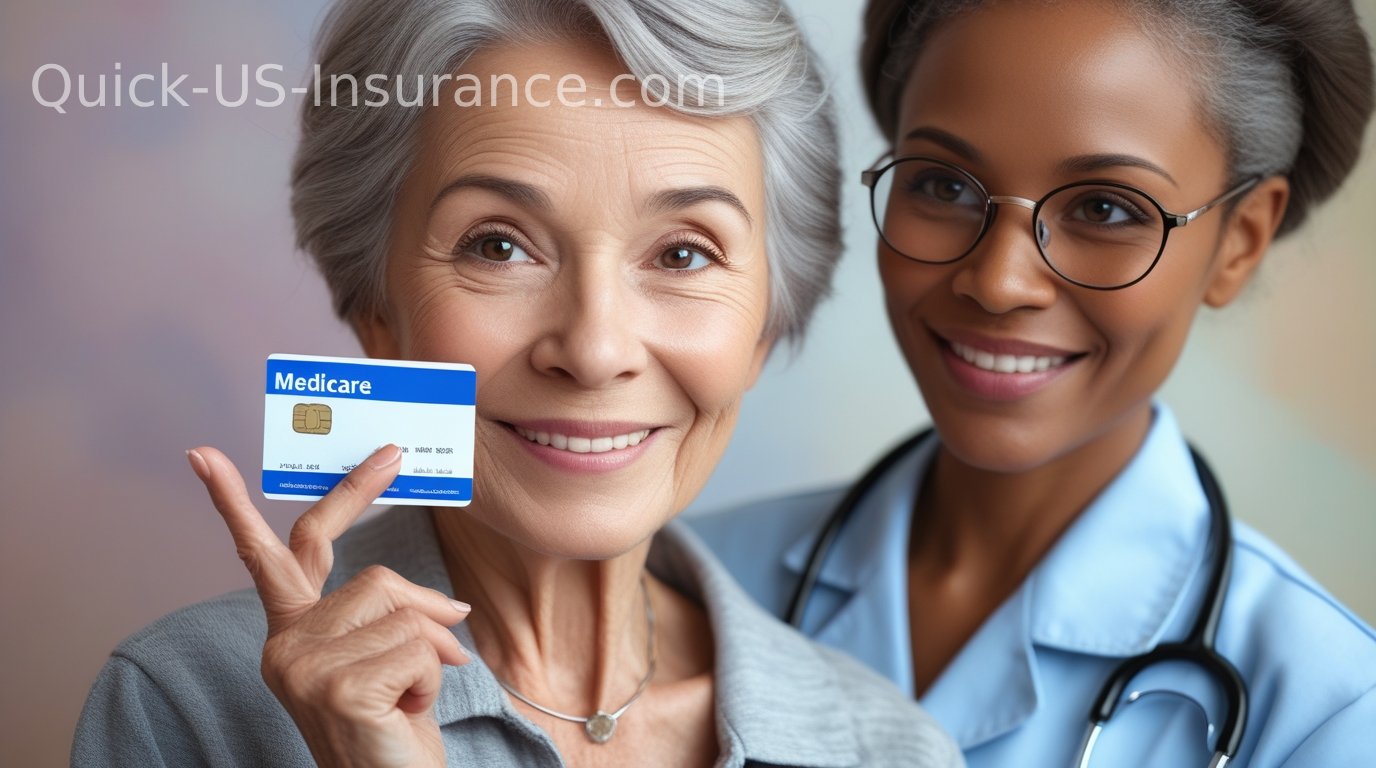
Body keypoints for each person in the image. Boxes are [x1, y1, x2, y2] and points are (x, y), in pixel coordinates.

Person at [70, 1, 966, 766]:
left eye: (685, 253)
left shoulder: (888, 748)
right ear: (378, 308)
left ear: (767, 321)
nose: (594, 347)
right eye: (497, 244)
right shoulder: (184, 705)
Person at [691, 0, 1376, 765]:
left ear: (1239, 244)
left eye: (1106, 208)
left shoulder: (1330, 709)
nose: (999, 281)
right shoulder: (692, 583)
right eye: (944, 186)